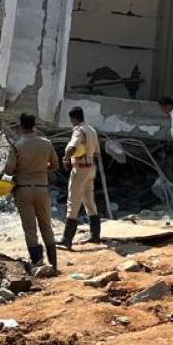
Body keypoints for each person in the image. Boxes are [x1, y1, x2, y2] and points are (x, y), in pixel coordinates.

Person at [3, 112, 58, 274]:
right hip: (42, 187)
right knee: (46, 225)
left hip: (24, 190)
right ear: (34, 125)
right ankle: (54, 264)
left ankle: (37, 263)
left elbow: (8, 169)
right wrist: (41, 170)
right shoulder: (46, 143)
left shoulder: (17, 146)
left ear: (21, 126)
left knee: (30, 228)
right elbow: (55, 165)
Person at [61, 106, 101, 247]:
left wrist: (66, 158)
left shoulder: (79, 130)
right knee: (89, 201)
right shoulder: (91, 130)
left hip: (80, 168)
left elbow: (72, 147)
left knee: (73, 202)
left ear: (73, 118)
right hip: (90, 167)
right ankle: (95, 235)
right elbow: (96, 151)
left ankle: (67, 239)